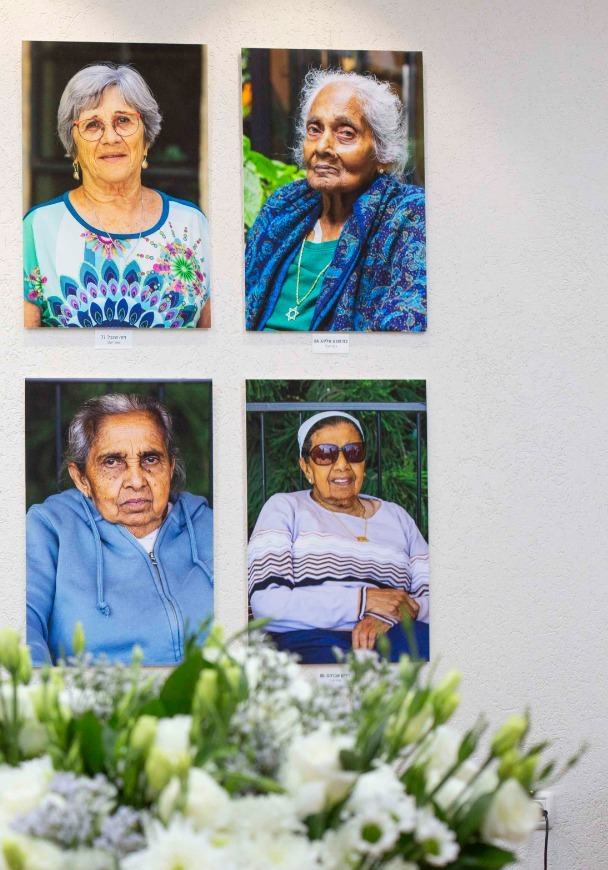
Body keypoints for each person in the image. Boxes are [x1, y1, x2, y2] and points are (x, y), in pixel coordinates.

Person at [25, 392, 214, 665]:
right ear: (81, 478)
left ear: (171, 467)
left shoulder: (207, 526)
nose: (136, 481)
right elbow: (21, 627)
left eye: (151, 459)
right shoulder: (51, 529)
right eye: (112, 462)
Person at [23, 63, 210, 329]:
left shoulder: (191, 225)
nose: (110, 137)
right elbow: (20, 347)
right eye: (92, 125)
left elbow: (218, 344)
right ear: (73, 147)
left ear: (146, 139)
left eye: (123, 120)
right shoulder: (39, 228)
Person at [245, 70, 426, 332]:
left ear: (382, 152)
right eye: (314, 130)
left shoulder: (409, 214)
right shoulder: (283, 205)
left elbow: (405, 325)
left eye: (346, 133)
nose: (322, 147)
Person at [248, 411, 430, 662]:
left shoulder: (397, 517)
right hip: (313, 636)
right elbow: (267, 603)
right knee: (335, 679)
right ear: (306, 467)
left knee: (426, 655)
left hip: (393, 632)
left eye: (353, 452)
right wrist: (363, 601)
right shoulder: (285, 508)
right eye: (325, 454)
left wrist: (387, 616)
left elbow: (436, 598)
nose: (342, 465)